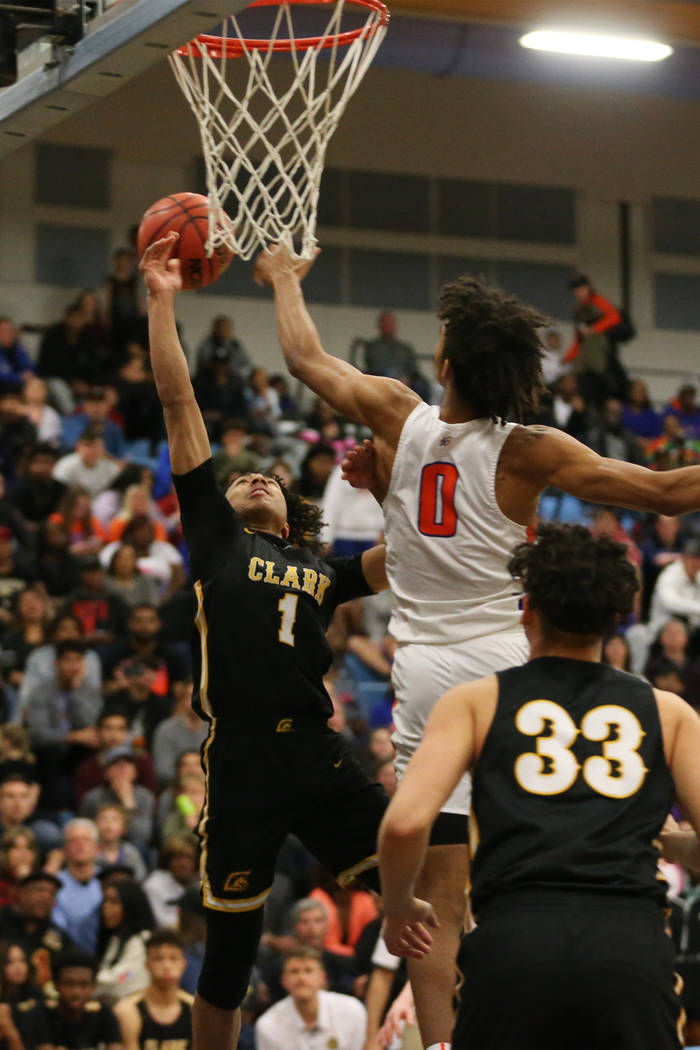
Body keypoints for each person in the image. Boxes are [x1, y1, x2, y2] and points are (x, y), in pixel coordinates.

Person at [255, 242, 700, 1050]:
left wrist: (285, 278)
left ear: (447, 360)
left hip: (429, 672)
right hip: (509, 661)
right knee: (535, 852)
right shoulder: (529, 450)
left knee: (438, 892)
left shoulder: (397, 412)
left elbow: (303, 355)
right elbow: (667, 492)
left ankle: (439, 1041)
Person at [141, 233, 394, 1050]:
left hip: (318, 754)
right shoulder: (217, 540)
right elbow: (182, 406)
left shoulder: (319, 566)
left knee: (415, 888)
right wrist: (160, 298)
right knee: (228, 960)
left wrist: (391, 477)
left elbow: (404, 558)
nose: (254, 475)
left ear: (293, 512)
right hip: (242, 757)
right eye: (242, 474)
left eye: (270, 477)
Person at [377, 524, 694, 1050]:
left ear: (525, 609)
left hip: (515, 943)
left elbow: (405, 824)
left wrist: (399, 908)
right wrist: (671, 841)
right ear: (617, 618)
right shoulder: (668, 711)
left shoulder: (474, 702)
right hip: (629, 944)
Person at [254, 946, 367, 1050]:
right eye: (294, 972)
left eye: (308, 970)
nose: (301, 978)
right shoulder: (268, 1025)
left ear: (322, 978)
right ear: (284, 980)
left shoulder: (352, 1010)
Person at [114, 929, 193, 1050]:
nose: (167, 966)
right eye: (158, 958)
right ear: (147, 964)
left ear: (184, 963)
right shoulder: (128, 1009)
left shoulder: (195, 1008)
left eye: (173, 958)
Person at [0, 872, 71, 988]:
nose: (45, 897)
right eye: (39, 891)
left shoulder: (57, 935)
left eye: (51, 894)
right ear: (21, 893)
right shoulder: (2, 919)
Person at [45, 948, 122, 1050]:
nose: (76, 992)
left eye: (84, 984)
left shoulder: (103, 1014)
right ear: (56, 984)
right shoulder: (42, 1014)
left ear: (93, 986)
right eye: (69, 984)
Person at [95, 880, 154, 1003]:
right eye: (105, 901)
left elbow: (122, 977)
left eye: (114, 902)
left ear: (131, 905)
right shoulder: (115, 939)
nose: (106, 907)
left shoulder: (142, 940)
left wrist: (85, 982)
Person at [52, 819, 103, 954]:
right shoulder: (53, 884)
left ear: (97, 847)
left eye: (86, 840)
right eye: (73, 840)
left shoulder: (108, 881)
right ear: (64, 848)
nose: (80, 845)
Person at [0, 940, 51, 1050]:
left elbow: (45, 1039)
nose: (18, 967)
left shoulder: (36, 995)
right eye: (10, 962)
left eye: (22, 960)